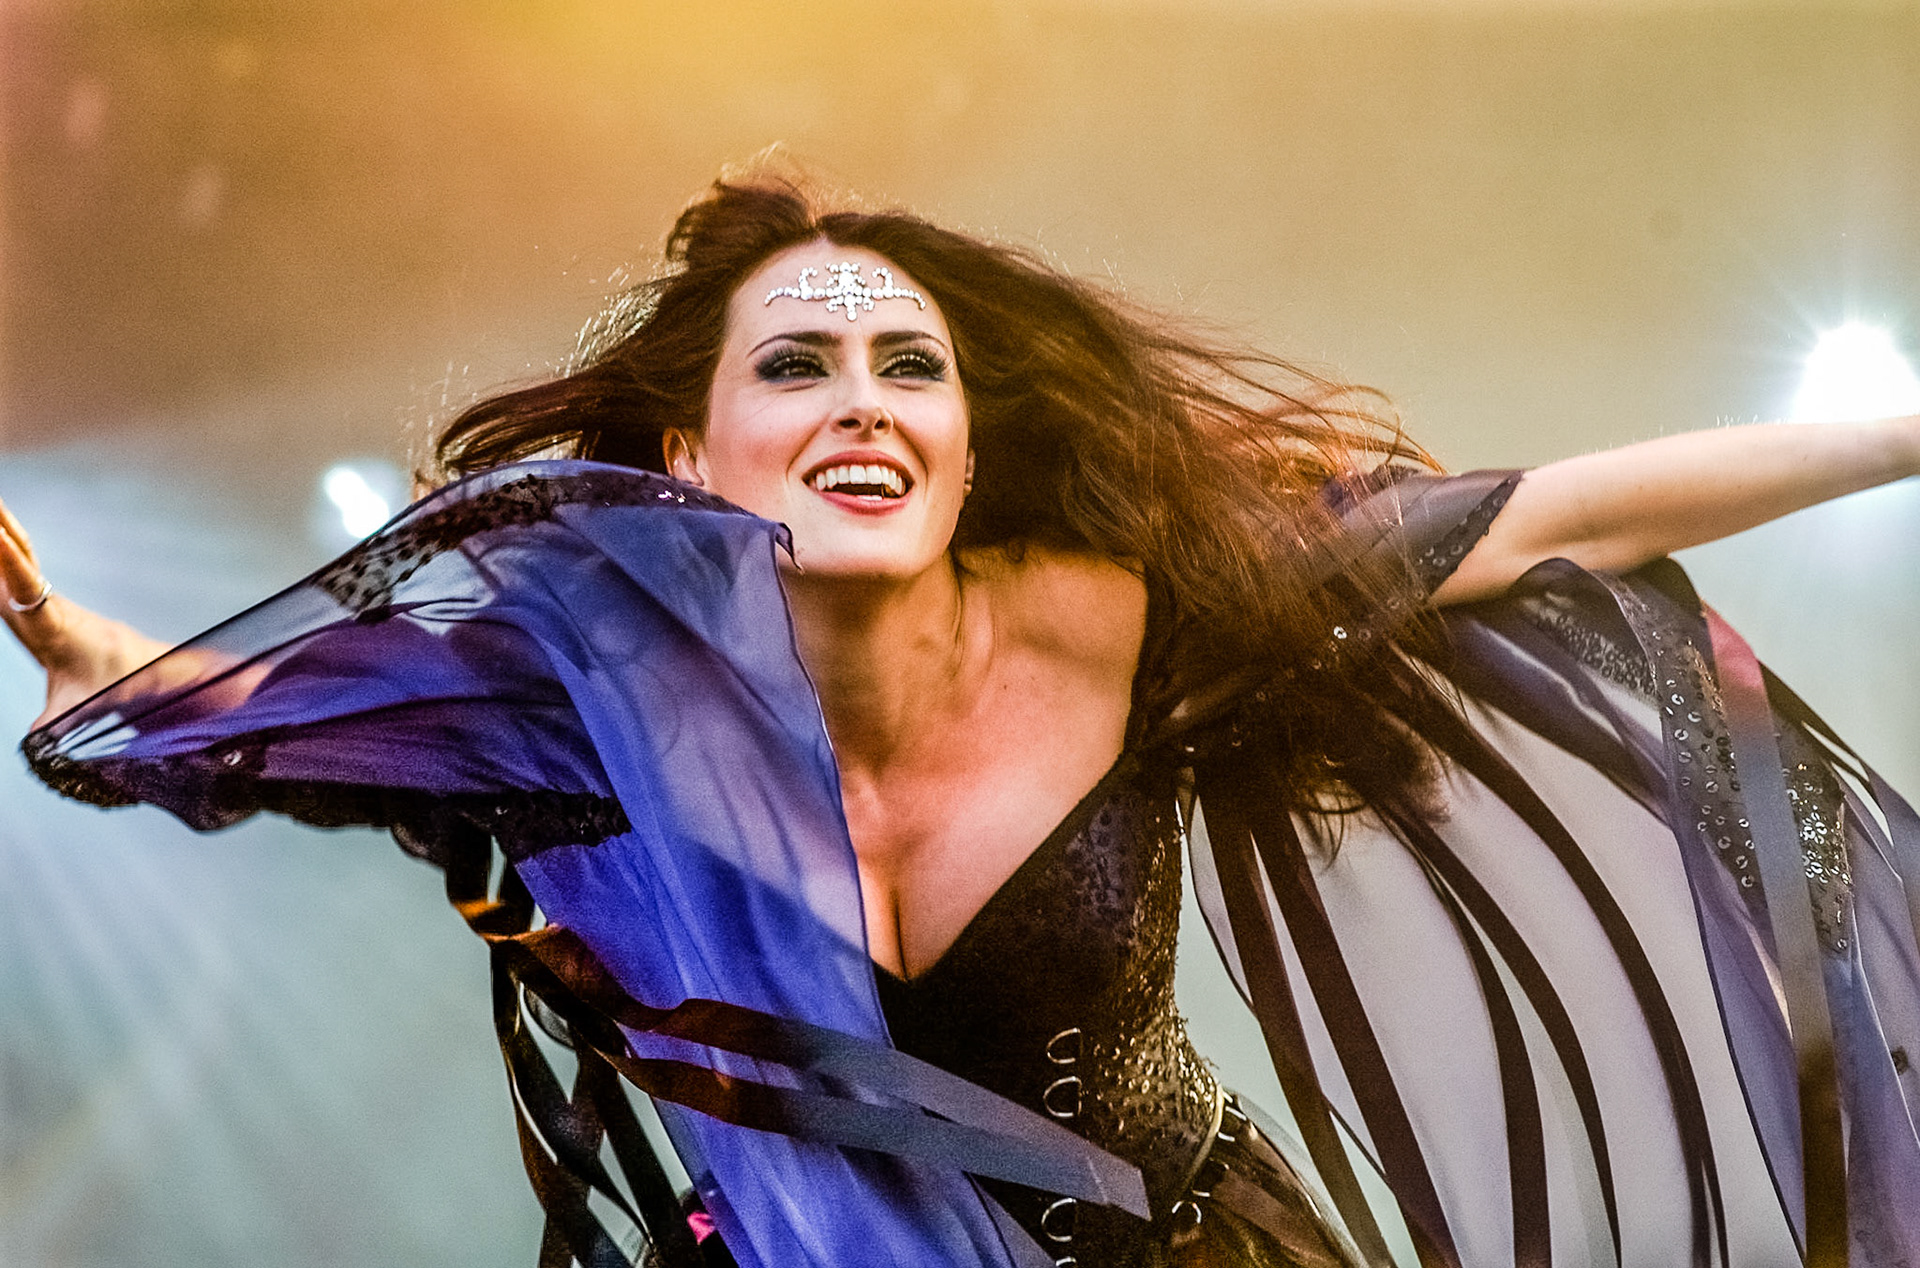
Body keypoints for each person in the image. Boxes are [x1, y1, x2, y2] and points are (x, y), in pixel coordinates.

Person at [5, 174, 1918, 1268]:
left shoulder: (1124, 620)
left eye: (907, 365)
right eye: (798, 364)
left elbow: (1563, 513)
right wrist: (88, 647)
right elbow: (269, 719)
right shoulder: (584, 703)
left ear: (964, 444)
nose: (863, 399)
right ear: (689, 452)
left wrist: (1900, 433)